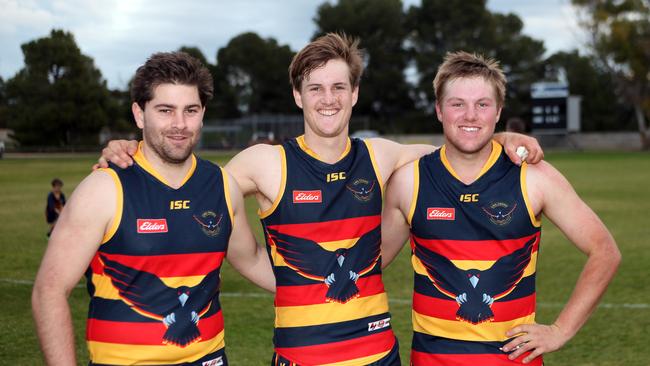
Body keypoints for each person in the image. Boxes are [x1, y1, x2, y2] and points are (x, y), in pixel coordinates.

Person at [98, 34, 544, 365]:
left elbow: (462, 147)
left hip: (379, 355)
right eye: (315, 88)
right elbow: (190, 192)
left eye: (338, 88)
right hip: (300, 357)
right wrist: (129, 149)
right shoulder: (264, 163)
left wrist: (503, 135)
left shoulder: (383, 156)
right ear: (298, 96)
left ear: (354, 94)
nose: (327, 99)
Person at [32, 52, 274, 366]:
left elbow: (252, 258)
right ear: (139, 113)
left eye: (191, 110)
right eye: (165, 110)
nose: (179, 124)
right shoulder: (104, 189)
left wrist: (327, 278)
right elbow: (48, 291)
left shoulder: (221, 185)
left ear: (202, 113)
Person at [381, 51, 620, 365]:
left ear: (498, 111)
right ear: (439, 110)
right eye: (457, 104)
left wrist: (560, 330)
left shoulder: (533, 177)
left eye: (482, 104)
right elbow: (369, 265)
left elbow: (604, 250)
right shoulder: (409, 182)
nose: (470, 115)